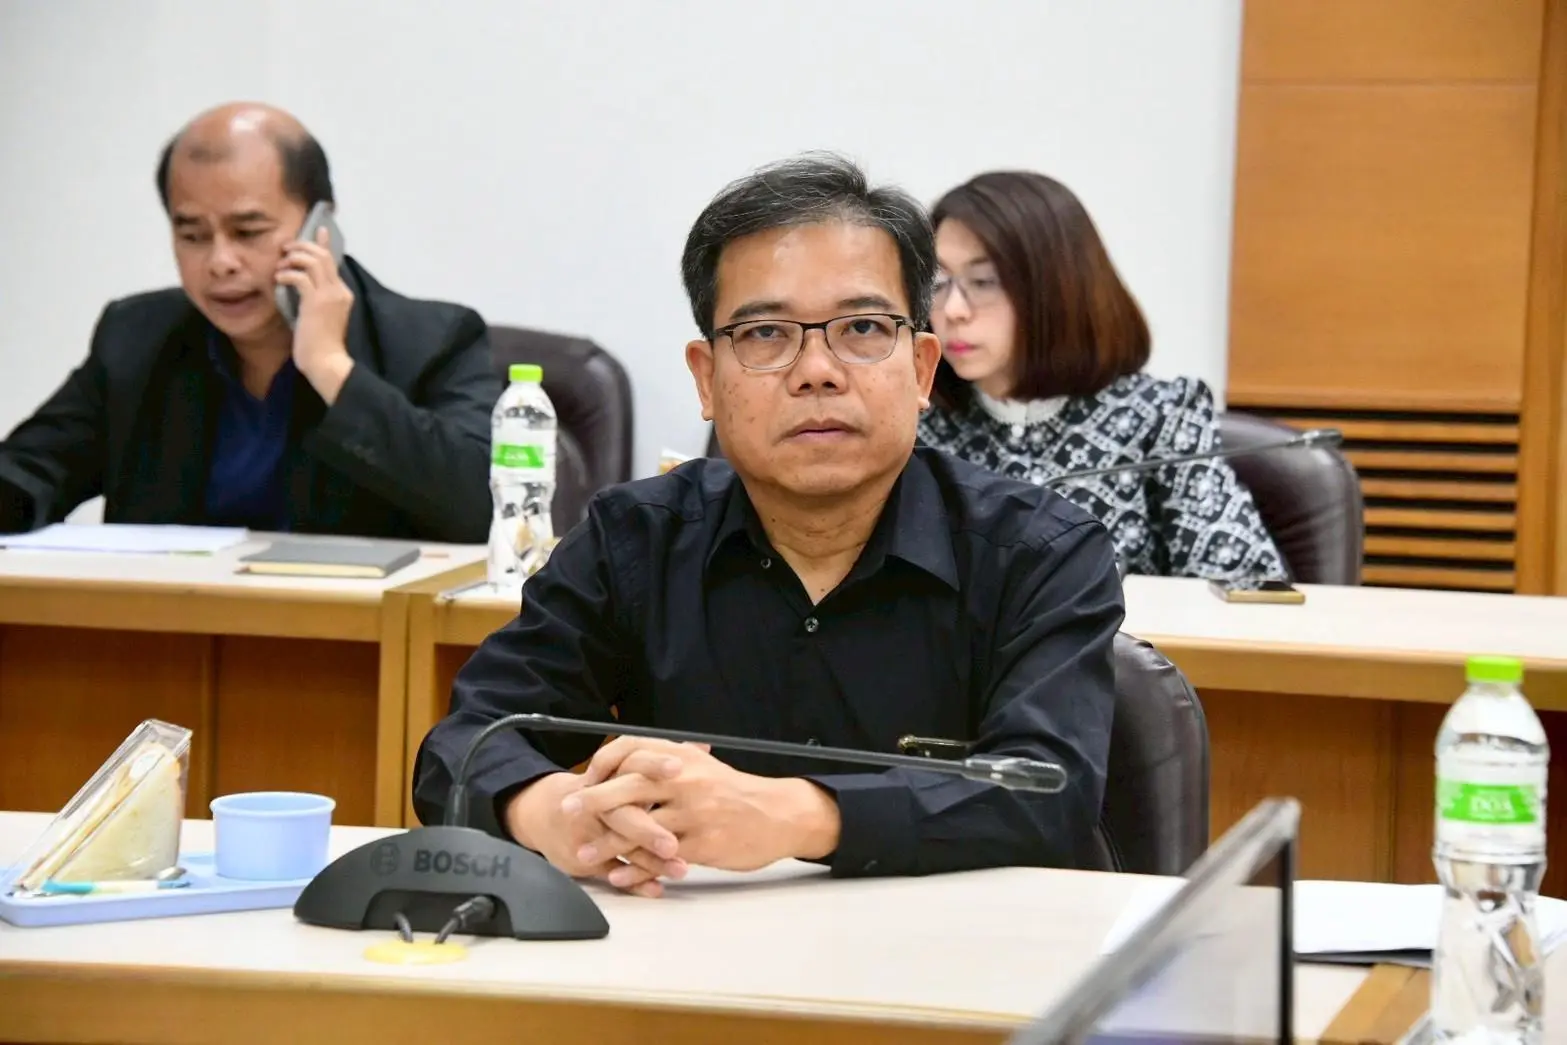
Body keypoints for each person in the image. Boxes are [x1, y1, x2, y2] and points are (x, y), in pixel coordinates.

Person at [413, 154, 1124, 897]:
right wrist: (551, 811)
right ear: (706, 378)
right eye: (764, 335)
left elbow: (1049, 788)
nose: (817, 370)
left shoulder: (1039, 552)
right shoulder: (634, 539)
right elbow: (464, 743)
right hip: (686, 954)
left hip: (958, 953)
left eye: (861, 327)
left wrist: (796, 816)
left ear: (920, 369)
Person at [0, 102, 499, 543]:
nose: (220, 262)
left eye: (248, 232)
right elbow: (25, 475)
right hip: (171, 619)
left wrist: (331, 368)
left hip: (347, 621)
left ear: (321, 227)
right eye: (193, 236)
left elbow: (483, 510)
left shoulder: (434, 342)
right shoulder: (136, 337)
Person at [917, 171, 1289, 583]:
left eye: (983, 281)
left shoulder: (1159, 417)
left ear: (1058, 289)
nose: (953, 310)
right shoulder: (918, 424)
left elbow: (1247, 584)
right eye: (938, 282)